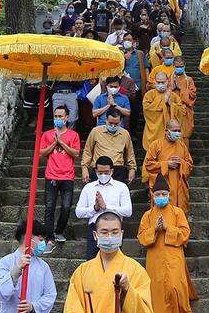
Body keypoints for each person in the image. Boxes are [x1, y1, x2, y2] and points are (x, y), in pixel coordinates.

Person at [137, 176, 195, 313]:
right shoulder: (148, 215)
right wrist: (154, 230)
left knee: (173, 287)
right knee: (157, 293)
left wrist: (167, 228)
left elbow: (185, 233)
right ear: (153, 195)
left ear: (169, 195)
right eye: (157, 194)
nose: (160, 197)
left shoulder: (177, 212)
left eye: (163, 194)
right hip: (155, 258)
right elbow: (141, 236)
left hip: (173, 256)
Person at [75, 154, 133, 258]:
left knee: (115, 260)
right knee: (92, 260)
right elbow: (78, 212)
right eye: (100, 172)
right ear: (96, 171)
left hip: (114, 228)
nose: (103, 175)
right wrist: (95, 208)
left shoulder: (121, 187)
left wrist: (106, 207)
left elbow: (128, 211)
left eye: (106, 172)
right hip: (95, 229)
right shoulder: (89, 188)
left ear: (112, 171)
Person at [38, 104, 81, 244]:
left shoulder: (73, 135)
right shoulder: (47, 134)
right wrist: (54, 143)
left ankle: (59, 231)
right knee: (49, 207)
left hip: (67, 176)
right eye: (56, 116)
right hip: (51, 175)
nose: (57, 119)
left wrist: (61, 142)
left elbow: (76, 153)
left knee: (66, 206)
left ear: (66, 118)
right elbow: (42, 153)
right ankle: (49, 236)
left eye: (60, 116)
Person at [142, 121, 193, 215]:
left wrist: (181, 162)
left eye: (179, 130)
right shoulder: (156, 144)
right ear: (166, 131)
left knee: (179, 214)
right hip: (162, 187)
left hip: (179, 187)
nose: (177, 133)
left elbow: (189, 165)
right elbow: (148, 164)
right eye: (174, 130)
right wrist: (166, 164)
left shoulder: (182, 146)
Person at [81, 106, 137, 184]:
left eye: (116, 123)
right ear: (106, 120)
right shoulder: (95, 131)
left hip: (118, 170)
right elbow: (88, 151)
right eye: (110, 123)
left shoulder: (125, 134)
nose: (113, 126)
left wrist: (132, 169)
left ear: (120, 121)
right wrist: (84, 168)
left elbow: (130, 154)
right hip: (99, 169)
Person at [141, 73, 170, 149]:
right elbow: (147, 109)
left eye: (163, 82)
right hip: (152, 127)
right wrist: (163, 102)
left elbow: (181, 110)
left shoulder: (172, 95)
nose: (161, 84)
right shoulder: (149, 95)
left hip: (166, 128)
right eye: (158, 82)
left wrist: (171, 104)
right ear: (155, 82)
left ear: (167, 82)